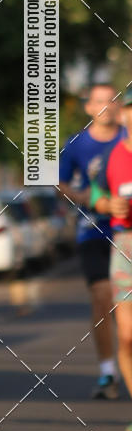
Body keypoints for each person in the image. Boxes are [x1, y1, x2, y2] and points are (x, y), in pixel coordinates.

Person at [59, 83, 125, 399]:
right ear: (89, 107)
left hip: (126, 231)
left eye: (111, 100)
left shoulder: (127, 139)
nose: (105, 106)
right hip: (93, 229)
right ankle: (107, 371)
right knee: (102, 298)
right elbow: (57, 180)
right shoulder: (76, 145)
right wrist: (82, 195)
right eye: (99, 101)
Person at [92, 87, 132, 431]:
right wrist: (107, 206)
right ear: (123, 114)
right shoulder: (113, 156)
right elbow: (96, 194)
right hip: (124, 245)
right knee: (128, 335)